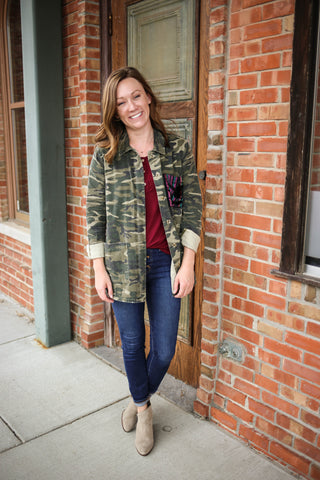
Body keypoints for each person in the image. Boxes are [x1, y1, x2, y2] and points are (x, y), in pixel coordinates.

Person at [86, 67, 202, 456]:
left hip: (165, 262)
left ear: (148, 97)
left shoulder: (177, 149)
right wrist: (99, 269)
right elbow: (94, 215)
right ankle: (145, 409)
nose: (131, 106)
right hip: (121, 266)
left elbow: (192, 206)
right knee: (133, 345)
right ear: (115, 111)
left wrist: (188, 263)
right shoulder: (106, 154)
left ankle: (138, 396)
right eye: (121, 102)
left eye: (135, 96)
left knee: (165, 349)